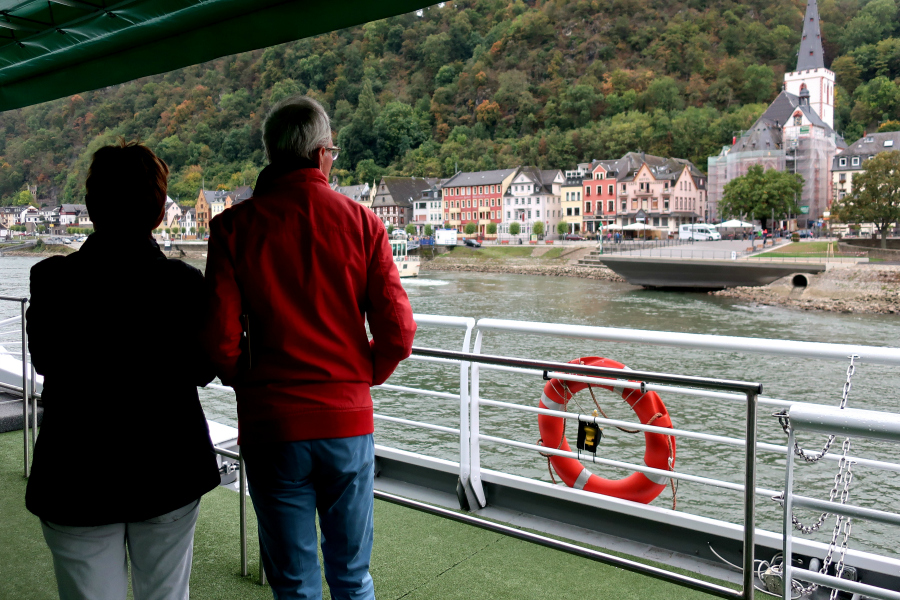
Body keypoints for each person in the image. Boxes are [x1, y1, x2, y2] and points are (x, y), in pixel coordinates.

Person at [204, 95, 416, 600]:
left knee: (294, 583)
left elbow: (217, 341)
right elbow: (398, 333)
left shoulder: (233, 228)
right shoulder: (364, 224)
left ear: (272, 153)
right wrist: (360, 376)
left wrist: (252, 382)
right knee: (351, 576)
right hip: (346, 420)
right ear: (323, 153)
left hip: (273, 423)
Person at [25, 140, 220, 600]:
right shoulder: (182, 284)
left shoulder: (50, 279)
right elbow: (203, 369)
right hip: (169, 466)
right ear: (158, 214)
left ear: (91, 207)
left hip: (75, 472)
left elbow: (45, 360)